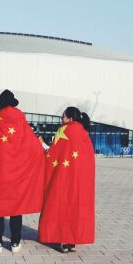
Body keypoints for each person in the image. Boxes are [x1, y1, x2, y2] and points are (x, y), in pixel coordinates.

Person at [0, 89, 45, 253]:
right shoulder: (22, 124)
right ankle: (15, 243)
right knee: (16, 209)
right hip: (18, 176)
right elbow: (35, 148)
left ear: (0, 106)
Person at [38, 106, 95, 253]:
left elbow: (51, 154)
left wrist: (41, 144)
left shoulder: (63, 130)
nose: (61, 120)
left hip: (63, 177)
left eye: (63, 117)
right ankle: (72, 241)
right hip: (79, 180)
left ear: (70, 118)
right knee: (75, 207)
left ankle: (62, 240)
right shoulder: (84, 132)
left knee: (61, 205)